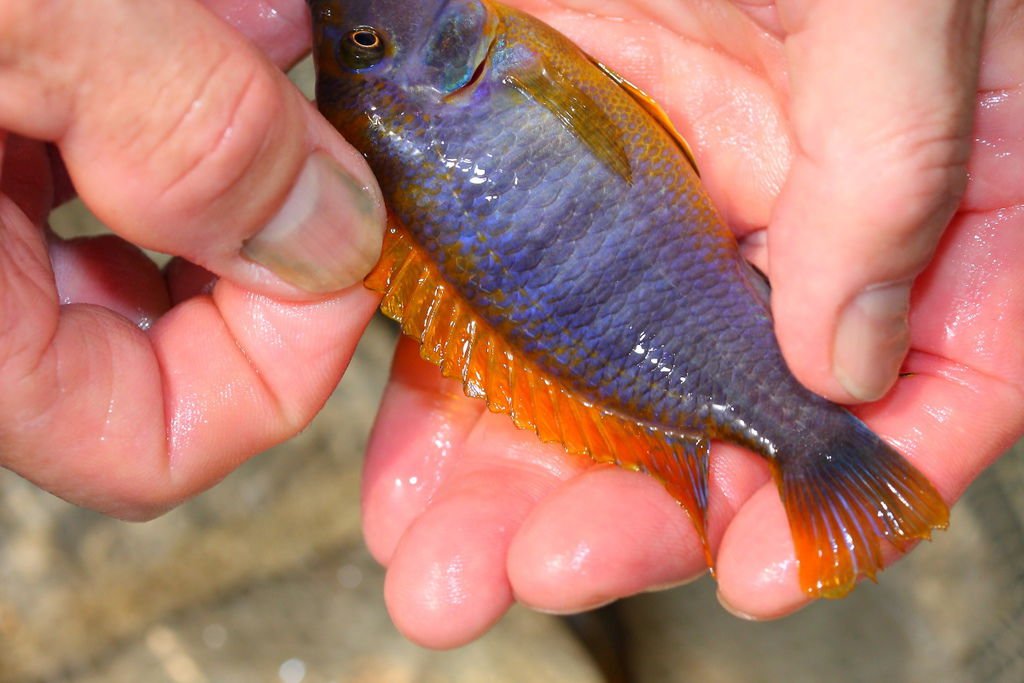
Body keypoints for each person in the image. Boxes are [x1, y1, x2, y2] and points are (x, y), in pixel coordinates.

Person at [0, 0, 1020, 649]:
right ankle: (810, 448)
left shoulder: (470, 61)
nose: (360, 26)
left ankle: (801, 454)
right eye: (365, 43)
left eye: (356, 39)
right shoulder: (487, 56)